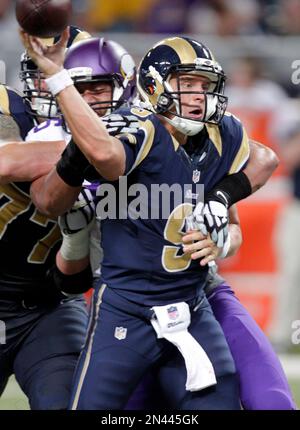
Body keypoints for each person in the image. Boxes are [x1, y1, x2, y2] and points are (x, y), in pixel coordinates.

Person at [22, 31, 284, 410]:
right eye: (79, 90)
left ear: (131, 86)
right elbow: (68, 268)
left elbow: (261, 164)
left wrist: (220, 224)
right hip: (121, 303)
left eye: (100, 87)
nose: (91, 100)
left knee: (268, 399)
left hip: (197, 295)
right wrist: (75, 236)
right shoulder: (76, 137)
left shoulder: (195, 130)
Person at [0, 26, 92, 410]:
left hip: (48, 306)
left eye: (70, 73)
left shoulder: (126, 128)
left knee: (70, 401)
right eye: (44, 72)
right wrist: (98, 145)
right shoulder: (8, 107)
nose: (53, 84)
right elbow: (6, 160)